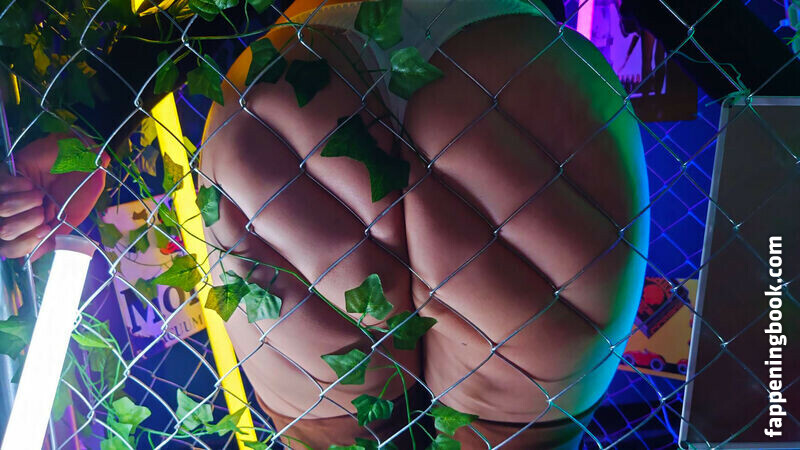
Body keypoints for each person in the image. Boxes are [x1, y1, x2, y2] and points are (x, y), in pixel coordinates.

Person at [1, 1, 651, 448]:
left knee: (327, 430)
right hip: (516, 69)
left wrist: (88, 140)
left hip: (299, 73)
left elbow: (184, 21)